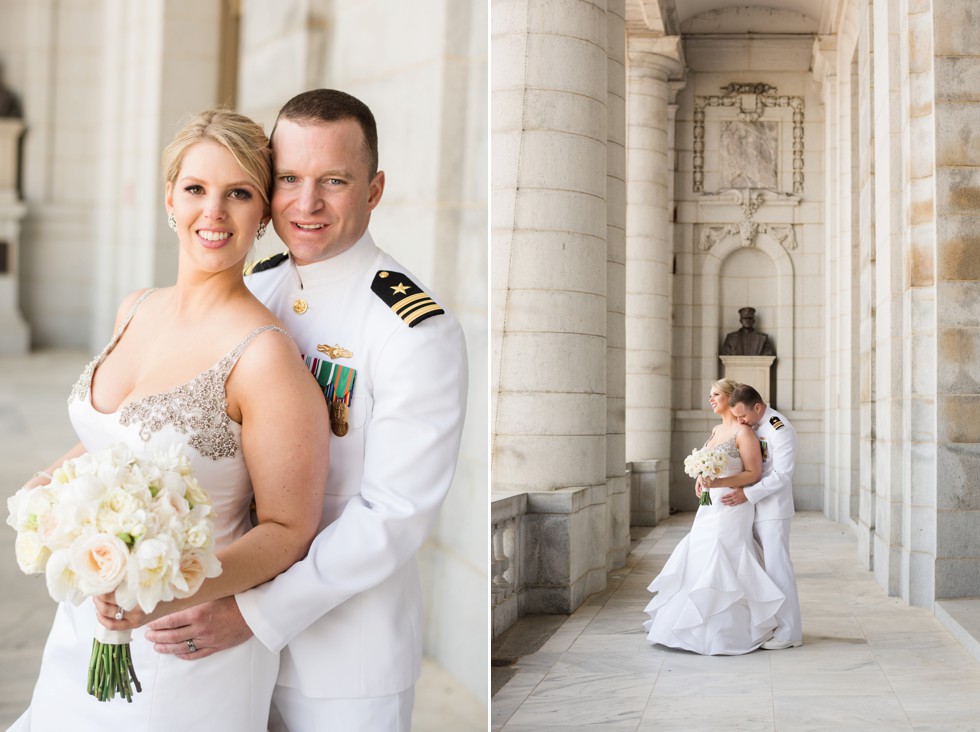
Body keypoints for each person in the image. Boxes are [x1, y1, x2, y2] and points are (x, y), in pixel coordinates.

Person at [142, 89, 469, 730]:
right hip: (217, 644)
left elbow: (393, 515)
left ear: (373, 191)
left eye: (334, 181)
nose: (307, 203)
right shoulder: (257, 284)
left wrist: (255, 613)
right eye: (288, 179)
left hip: (342, 659)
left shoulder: (411, 329)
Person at [9, 109, 330, 731]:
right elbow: (111, 440)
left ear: (263, 214)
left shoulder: (262, 356)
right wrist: (47, 491)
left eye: (239, 194)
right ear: (169, 198)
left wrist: (168, 591)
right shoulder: (136, 308)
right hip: (86, 621)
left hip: (181, 648)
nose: (214, 212)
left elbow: (290, 528)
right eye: (196, 189)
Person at [643, 378, 785, 655]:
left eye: (716, 394)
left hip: (734, 504)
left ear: (731, 399)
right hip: (709, 506)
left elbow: (753, 474)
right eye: (710, 394)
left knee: (725, 555)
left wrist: (716, 484)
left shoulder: (744, 434)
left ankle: (728, 631)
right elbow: (708, 466)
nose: (711, 399)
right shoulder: (716, 429)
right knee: (699, 552)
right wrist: (700, 478)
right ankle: (689, 624)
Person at [714, 383, 803, 649]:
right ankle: (774, 624)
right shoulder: (754, 426)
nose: (741, 421)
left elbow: (782, 475)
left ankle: (790, 633)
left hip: (773, 510)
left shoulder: (779, 428)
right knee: (763, 571)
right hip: (754, 509)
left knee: (778, 570)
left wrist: (748, 495)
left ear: (758, 406)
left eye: (743, 416)